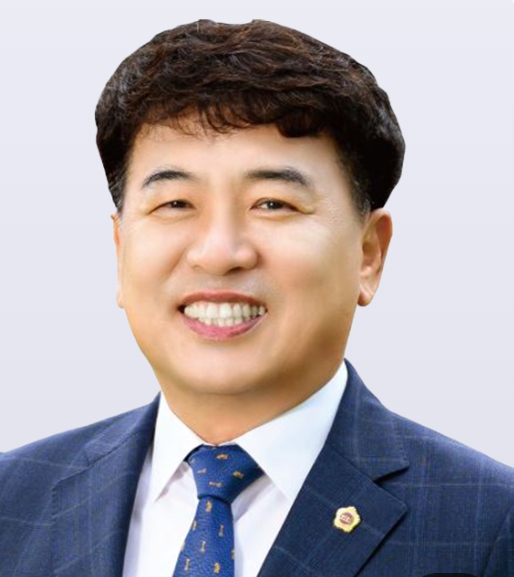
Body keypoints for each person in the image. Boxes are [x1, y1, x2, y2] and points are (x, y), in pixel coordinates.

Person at [0, 19, 512, 577]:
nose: (219, 253)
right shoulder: (13, 501)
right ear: (121, 250)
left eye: (273, 204)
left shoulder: (487, 526)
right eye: (175, 204)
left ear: (369, 253)